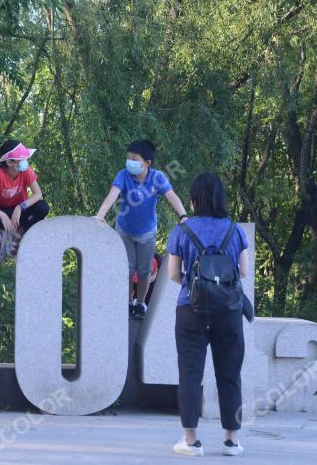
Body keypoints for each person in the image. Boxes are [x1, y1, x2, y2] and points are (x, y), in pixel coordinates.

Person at [166, 172, 248, 457]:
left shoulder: (183, 230)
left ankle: (191, 441)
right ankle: (231, 440)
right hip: (229, 312)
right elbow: (244, 272)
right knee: (230, 374)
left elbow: (174, 274)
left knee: (190, 374)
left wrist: (197, 286)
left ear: (193, 199)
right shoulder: (235, 230)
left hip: (191, 309)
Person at [95, 140, 188, 319]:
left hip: (147, 234)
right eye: (128, 157)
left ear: (147, 163)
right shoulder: (123, 175)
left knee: (144, 271)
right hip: (124, 232)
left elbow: (171, 195)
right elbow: (112, 194)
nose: (129, 161)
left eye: (134, 159)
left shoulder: (158, 177)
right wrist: (100, 215)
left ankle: (140, 303)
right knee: (127, 270)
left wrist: (183, 215)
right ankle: (128, 303)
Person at [0, 140, 50, 262]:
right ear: (9, 162)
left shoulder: (26, 171)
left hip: (20, 214)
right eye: (22, 159)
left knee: (43, 207)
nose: (25, 162)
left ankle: (19, 234)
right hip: (3, 216)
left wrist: (20, 207)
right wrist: (2, 216)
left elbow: (38, 194)